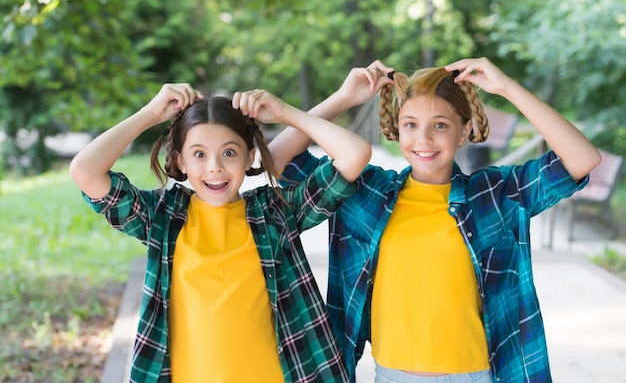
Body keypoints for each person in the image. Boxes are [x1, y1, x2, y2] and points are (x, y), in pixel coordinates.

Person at [268, 57, 601, 383]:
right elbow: (278, 160)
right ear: (397, 130)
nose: (423, 139)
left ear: (464, 131)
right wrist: (342, 99)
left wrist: (508, 88)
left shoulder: (495, 196)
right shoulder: (366, 193)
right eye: (411, 125)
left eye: (440, 125)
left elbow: (582, 159)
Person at [69, 83, 372, 383]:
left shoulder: (276, 213)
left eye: (229, 152)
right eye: (199, 154)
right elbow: (85, 170)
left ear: (249, 156)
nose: (214, 167)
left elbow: (354, 154)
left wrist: (286, 113)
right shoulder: (163, 218)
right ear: (179, 161)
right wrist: (151, 113)